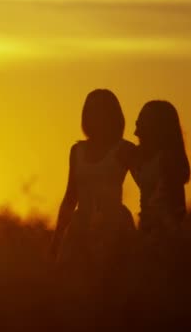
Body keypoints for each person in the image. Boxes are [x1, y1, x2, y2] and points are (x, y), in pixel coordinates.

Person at [50, 89, 136, 273]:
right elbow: (70, 197)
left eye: (102, 110)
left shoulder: (125, 149)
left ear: (113, 115)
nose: (95, 116)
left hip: (115, 225)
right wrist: (57, 238)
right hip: (81, 225)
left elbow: (148, 184)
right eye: (91, 110)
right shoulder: (77, 151)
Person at [131, 100, 189, 236]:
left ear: (156, 127)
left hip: (165, 232)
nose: (135, 133)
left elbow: (177, 207)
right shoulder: (140, 157)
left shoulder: (169, 160)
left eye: (141, 126)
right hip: (148, 228)